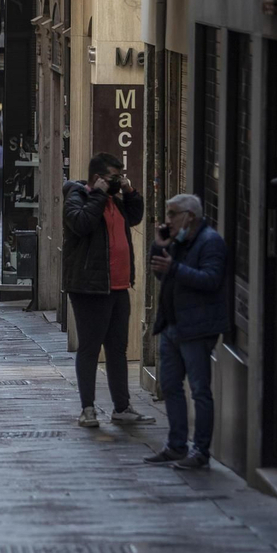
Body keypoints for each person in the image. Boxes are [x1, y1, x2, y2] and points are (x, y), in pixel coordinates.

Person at [61, 152, 154, 428]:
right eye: (115, 176)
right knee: (90, 349)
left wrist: (129, 191)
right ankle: (88, 409)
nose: (119, 180)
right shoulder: (77, 197)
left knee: (117, 349)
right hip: (90, 288)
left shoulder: (116, 202)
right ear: (98, 178)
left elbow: (136, 217)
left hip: (118, 287)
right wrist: (100, 195)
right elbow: (81, 224)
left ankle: (121, 407)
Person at [147, 193, 230, 470]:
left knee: (199, 391)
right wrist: (159, 248)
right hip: (172, 326)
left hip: (197, 328)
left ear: (189, 216)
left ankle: (201, 451)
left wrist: (175, 268)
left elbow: (211, 280)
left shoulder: (211, 242)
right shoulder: (179, 241)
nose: (167, 220)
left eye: (173, 214)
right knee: (170, 386)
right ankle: (176, 445)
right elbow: (161, 273)